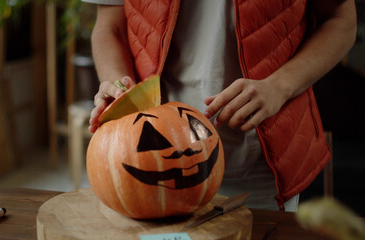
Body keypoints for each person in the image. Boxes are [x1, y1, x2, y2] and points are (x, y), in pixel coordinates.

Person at [84, 0, 357, 211]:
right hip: (146, 159)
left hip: (262, 159)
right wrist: (120, 88)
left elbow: (341, 20)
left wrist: (279, 87)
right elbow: (111, 27)